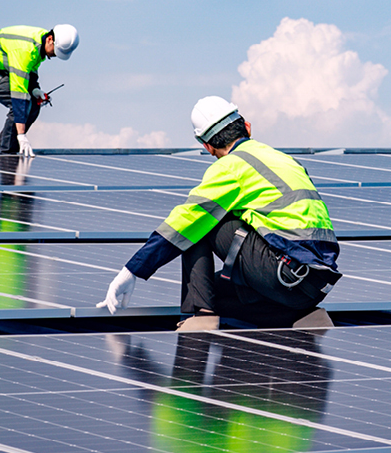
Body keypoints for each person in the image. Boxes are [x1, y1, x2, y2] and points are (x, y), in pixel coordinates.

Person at [99, 96, 341, 331]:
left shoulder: (232, 165)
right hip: (314, 285)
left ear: (207, 146)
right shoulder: (284, 159)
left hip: (284, 272)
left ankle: (201, 315)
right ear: (247, 126)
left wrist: (132, 271)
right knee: (216, 292)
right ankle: (301, 317)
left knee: (203, 219)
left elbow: (186, 219)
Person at [0, 24, 78, 156]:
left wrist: (35, 90)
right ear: (50, 39)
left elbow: (30, 70)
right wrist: (21, 136)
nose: (55, 55)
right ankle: (6, 155)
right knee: (23, 102)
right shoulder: (24, 49)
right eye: (56, 50)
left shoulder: (39, 41)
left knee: (33, 103)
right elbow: (18, 93)